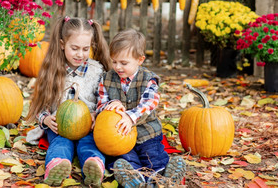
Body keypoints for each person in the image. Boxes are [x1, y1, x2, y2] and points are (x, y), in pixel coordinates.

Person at [25, 16, 111, 187]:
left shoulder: (97, 71)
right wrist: (45, 119)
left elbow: (104, 99)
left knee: (90, 143)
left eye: (85, 49)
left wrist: (96, 114)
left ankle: (94, 166)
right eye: (75, 48)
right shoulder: (53, 70)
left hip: (87, 126)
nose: (80, 54)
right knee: (60, 143)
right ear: (63, 44)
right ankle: (57, 165)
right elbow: (41, 103)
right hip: (59, 125)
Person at [96, 29, 186, 187]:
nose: (118, 67)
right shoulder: (107, 78)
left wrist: (130, 117)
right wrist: (110, 104)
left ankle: (162, 177)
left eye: (124, 63)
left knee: (152, 156)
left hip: (146, 133)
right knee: (123, 158)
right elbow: (100, 104)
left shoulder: (148, 79)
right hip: (119, 136)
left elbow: (149, 103)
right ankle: (135, 178)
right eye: (114, 61)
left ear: (140, 60)